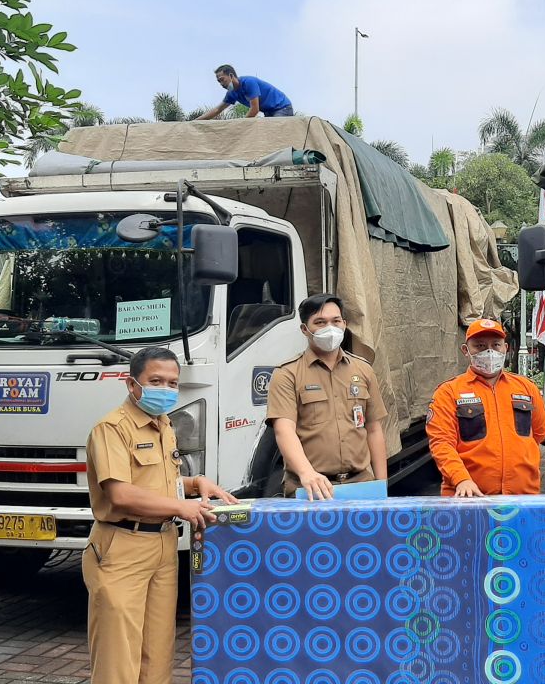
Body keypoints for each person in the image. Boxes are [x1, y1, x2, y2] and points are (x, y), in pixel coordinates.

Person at [83, 346, 238, 684]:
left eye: (172, 383)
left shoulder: (164, 424)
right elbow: (121, 494)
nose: (165, 390)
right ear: (131, 385)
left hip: (163, 547)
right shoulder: (112, 429)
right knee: (118, 660)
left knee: (157, 657)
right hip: (122, 547)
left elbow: (158, 481)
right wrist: (182, 507)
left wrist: (194, 483)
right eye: (155, 381)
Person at [266, 293, 388, 499]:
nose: (329, 328)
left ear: (344, 324)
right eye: (320, 322)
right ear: (305, 330)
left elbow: (374, 430)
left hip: (360, 485)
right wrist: (307, 473)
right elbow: (284, 431)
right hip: (310, 490)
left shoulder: (363, 370)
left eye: (335, 321)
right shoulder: (287, 374)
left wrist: (382, 485)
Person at [426, 318, 545, 497]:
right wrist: (461, 479)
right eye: (480, 346)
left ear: (505, 348)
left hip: (522, 498)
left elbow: (539, 433)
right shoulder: (449, 392)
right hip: (469, 499)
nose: (489, 352)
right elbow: (442, 443)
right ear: (466, 351)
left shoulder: (526, 388)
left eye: (496, 345)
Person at [195, 64, 294, 119]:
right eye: (218, 81)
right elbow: (217, 110)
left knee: (273, 132)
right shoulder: (231, 93)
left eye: (222, 79)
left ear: (231, 76)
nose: (221, 84)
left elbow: (254, 109)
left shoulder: (249, 83)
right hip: (268, 112)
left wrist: (240, 125)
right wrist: (195, 121)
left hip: (282, 107)